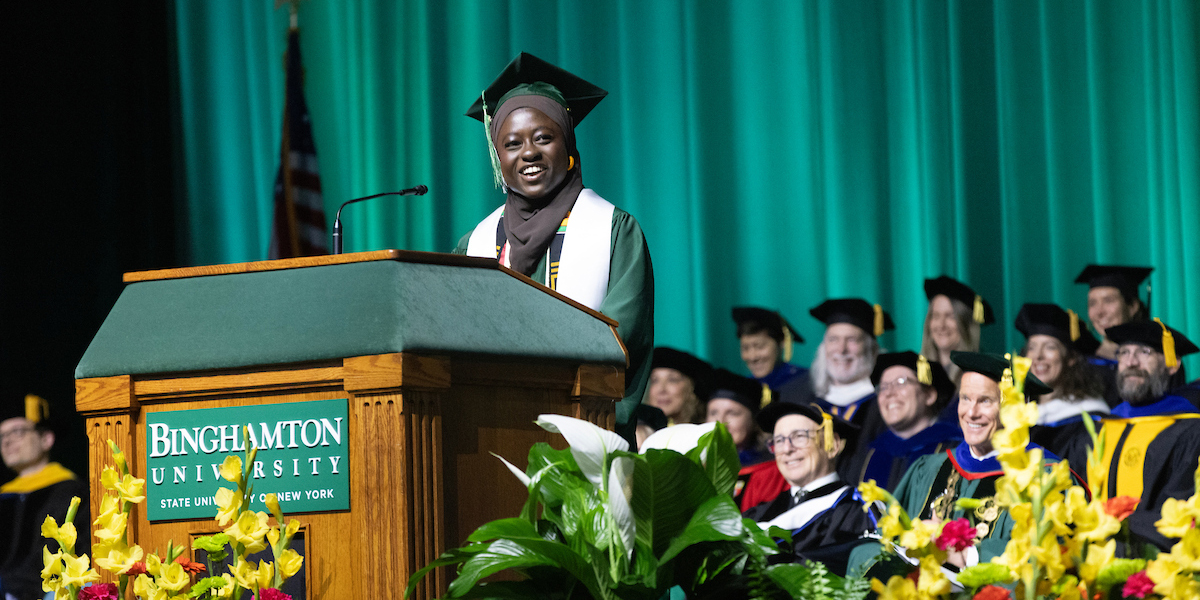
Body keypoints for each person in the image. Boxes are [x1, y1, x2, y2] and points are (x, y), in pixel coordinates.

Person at [455, 52, 654, 443]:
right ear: (499, 158)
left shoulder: (613, 231)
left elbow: (621, 339)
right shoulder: (475, 243)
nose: (528, 152)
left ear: (568, 146)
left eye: (543, 137)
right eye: (511, 144)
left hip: (582, 427)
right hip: (491, 429)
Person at [847, 352, 1060, 578]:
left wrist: (968, 557)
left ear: (1016, 407)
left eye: (985, 401)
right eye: (965, 398)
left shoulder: (1041, 475)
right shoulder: (928, 468)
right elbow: (887, 536)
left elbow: (1047, 555)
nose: (971, 413)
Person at [1062, 319, 1200, 552]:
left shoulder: (1189, 432)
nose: (1131, 362)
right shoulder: (1097, 430)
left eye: (1144, 352)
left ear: (1172, 363)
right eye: (1124, 352)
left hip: (1149, 563)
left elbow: (1180, 508)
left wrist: (1117, 540)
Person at [742, 402, 875, 576]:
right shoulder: (758, 514)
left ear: (833, 445)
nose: (787, 449)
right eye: (779, 440)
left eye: (799, 436)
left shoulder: (855, 510)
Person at [778, 298, 894, 465]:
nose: (841, 349)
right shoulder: (798, 396)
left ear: (871, 348)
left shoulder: (887, 401)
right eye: (833, 339)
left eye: (852, 340)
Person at [1, 395, 89, 600]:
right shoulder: (5, 496)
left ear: (46, 439)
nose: (7, 441)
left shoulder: (71, 491)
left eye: (17, 431)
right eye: (2, 435)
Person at [842, 351, 961, 490]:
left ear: (929, 395)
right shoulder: (866, 456)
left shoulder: (954, 450)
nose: (889, 393)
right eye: (883, 387)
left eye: (901, 382)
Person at [1013, 303, 1109, 456]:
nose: (1038, 356)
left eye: (1050, 347)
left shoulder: (1089, 418)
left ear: (1070, 358)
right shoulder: (1015, 413)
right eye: (1032, 347)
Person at [921, 276, 994, 386]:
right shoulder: (918, 374)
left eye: (950, 316)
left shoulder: (980, 374)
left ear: (965, 324)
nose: (941, 325)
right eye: (935, 316)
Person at [1074, 264, 1153, 361]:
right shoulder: (1081, 362)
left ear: (1133, 307)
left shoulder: (1152, 359)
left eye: (1108, 300)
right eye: (1092, 303)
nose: (1099, 312)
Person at [731, 307, 807, 389]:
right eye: (745, 348)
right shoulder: (742, 389)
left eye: (760, 347)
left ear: (782, 343)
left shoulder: (805, 382)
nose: (752, 357)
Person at [645, 347, 712, 425]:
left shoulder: (702, 433)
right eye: (655, 380)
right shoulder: (638, 433)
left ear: (690, 389)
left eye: (672, 380)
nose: (661, 389)